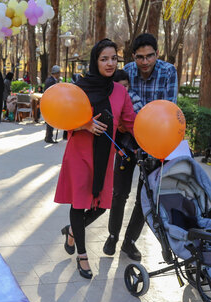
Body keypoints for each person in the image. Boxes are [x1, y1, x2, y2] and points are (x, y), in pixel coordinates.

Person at [54, 39, 136, 279]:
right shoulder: (79, 89)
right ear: (95, 61)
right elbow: (63, 119)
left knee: (101, 205)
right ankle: (82, 255)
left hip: (104, 157)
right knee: (79, 204)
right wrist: (85, 124)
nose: (110, 63)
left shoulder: (120, 92)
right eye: (104, 59)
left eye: (113, 59)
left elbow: (130, 121)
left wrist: (149, 137)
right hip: (80, 153)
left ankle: (72, 230)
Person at [102, 32, 178, 261]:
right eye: (140, 57)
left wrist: (140, 115)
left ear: (157, 54)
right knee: (119, 192)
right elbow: (115, 101)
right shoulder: (125, 73)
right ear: (133, 56)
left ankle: (130, 241)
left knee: (145, 196)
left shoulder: (168, 71)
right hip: (127, 140)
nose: (145, 62)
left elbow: (168, 109)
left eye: (150, 56)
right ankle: (113, 236)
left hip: (155, 141)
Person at [43, 65, 62, 144]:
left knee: (50, 121)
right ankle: (49, 137)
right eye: (59, 73)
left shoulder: (49, 80)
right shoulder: (51, 81)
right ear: (56, 73)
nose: (60, 74)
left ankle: (48, 136)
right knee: (51, 121)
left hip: (49, 102)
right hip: (51, 103)